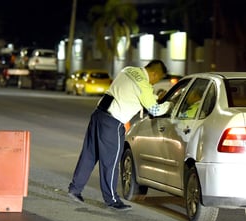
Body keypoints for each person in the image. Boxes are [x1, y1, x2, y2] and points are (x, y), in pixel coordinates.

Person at [68, 60, 171, 211]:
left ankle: (75, 189)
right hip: (113, 122)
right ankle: (112, 200)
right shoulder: (144, 85)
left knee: (89, 154)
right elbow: (155, 110)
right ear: (154, 73)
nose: (156, 82)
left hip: (98, 114)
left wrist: (152, 96)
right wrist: (170, 105)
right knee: (111, 162)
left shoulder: (128, 70)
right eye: (158, 78)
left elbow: (128, 92)